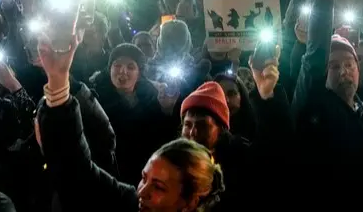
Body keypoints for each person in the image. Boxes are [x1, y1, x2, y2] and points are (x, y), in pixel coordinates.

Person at [36, 32, 225, 211]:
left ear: (190, 202)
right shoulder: (131, 202)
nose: (141, 192)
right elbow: (79, 168)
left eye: (159, 187)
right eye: (144, 178)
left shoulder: (152, 103)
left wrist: (166, 111)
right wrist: (59, 80)